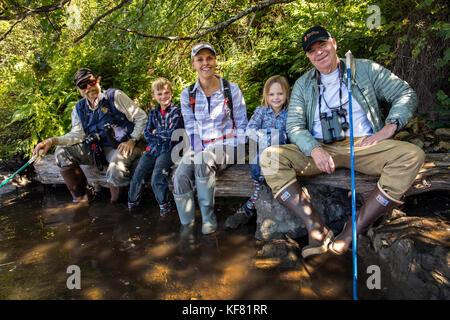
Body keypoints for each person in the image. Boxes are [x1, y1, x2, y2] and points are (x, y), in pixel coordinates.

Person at [260, 26, 425, 258]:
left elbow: (405, 93)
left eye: (323, 45)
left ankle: (353, 229)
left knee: (412, 155)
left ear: (334, 43)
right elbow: (294, 126)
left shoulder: (365, 69)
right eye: (312, 50)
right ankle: (316, 228)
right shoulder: (303, 84)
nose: (319, 53)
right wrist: (313, 148)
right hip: (319, 148)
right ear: (308, 56)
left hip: (364, 145)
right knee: (270, 157)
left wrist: (390, 126)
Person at [33, 68, 147, 204]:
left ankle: (118, 206)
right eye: (83, 85)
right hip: (96, 149)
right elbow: (76, 135)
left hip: (123, 145)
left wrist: (132, 140)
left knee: (115, 169)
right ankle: (81, 200)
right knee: (62, 152)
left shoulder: (115, 96)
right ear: (78, 89)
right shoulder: (79, 108)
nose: (88, 87)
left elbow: (142, 118)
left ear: (97, 81)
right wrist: (52, 141)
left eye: (91, 82)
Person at [173, 41, 248, 235]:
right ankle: (187, 224)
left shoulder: (231, 90)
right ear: (193, 64)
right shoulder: (186, 94)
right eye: (200, 59)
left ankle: (208, 218)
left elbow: (242, 125)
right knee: (179, 176)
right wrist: (198, 148)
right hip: (201, 145)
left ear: (215, 61)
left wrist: (239, 147)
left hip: (228, 145)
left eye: (209, 58)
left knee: (203, 161)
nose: (205, 63)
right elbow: (190, 125)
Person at [225, 75, 290, 229]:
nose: (276, 98)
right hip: (262, 152)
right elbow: (250, 129)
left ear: (286, 94)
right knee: (258, 153)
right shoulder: (261, 111)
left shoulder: (290, 113)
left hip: (281, 153)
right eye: (271, 94)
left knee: (278, 137)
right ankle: (257, 190)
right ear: (266, 96)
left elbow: (291, 134)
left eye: (280, 94)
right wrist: (267, 135)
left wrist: (274, 136)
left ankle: (256, 198)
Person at [127, 78, 183, 216]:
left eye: (166, 93)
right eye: (159, 94)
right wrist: (158, 134)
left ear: (172, 93)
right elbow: (146, 134)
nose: (163, 96)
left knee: (157, 177)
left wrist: (156, 132)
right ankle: (132, 203)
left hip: (170, 149)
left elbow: (173, 134)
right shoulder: (152, 113)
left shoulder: (177, 112)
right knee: (138, 175)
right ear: (154, 96)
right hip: (152, 149)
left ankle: (165, 206)